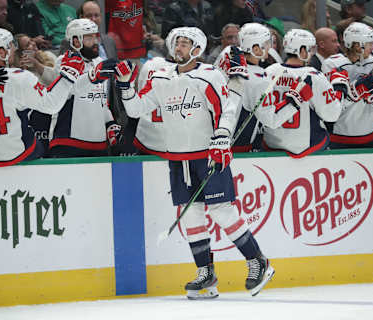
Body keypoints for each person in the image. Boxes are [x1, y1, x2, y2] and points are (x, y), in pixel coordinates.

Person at [114, 27, 275, 299]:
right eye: (177, 43)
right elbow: (136, 109)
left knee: (222, 210)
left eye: (185, 43)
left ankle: (258, 261)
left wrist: (223, 137)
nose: (178, 48)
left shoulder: (208, 75)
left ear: (198, 48)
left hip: (207, 153)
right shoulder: (162, 78)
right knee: (190, 215)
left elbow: (225, 108)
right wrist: (125, 86)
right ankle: (206, 274)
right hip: (178, 157)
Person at [0, 27, 85, 166]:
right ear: (1, 52)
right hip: (14, 153)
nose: (14, 50)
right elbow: (51, 105)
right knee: (39, 145)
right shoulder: (19, 77)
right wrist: (67, 76)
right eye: (11, 46)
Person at [216, 22, 299, 153]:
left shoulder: (227, 54)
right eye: (266, 43)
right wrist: (295, 100)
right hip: (237, 149)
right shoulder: (259, 79)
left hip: (213, 141)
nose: (269, 48)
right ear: (255, 49)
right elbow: (271, 120)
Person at [45, 18, 120, 157]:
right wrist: (92, 76)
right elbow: (66, 92)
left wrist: (109, 123)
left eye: (95, 36)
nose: (95, 42)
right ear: (76, 41)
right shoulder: (64, 61)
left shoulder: (99, 62)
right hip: (68, 142)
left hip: (98, 143)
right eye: (89, 38)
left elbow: (101, 101)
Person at [262, 29, 342, 158]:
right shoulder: (313, 76)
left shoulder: (269, 71)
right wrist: (339, 90)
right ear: (302, 51)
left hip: (271, 143)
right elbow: (332, 115)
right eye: (310, 49)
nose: (311, 53)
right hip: (307, 145)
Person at [321, 22, 373, 149]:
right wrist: (355, 92)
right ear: (357, 46)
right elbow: (331, 106)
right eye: (369, 43)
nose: (372, 47)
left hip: (370, 135)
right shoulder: (332, 65)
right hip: (340, 136)